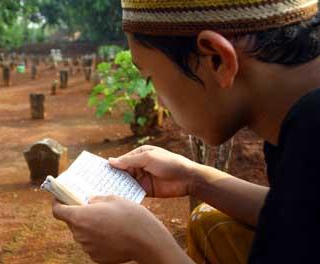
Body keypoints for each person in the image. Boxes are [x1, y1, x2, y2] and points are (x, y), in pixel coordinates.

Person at [52, 1, 320, 263]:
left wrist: (149, 247)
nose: (158, 99)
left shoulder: (312, 131)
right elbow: (298, 216)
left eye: (150, 77)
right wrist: (193, 178)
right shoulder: (302, 121)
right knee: (210, 223)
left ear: (217, 59)